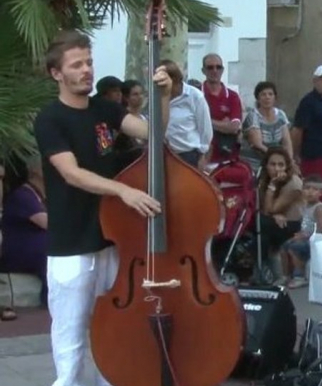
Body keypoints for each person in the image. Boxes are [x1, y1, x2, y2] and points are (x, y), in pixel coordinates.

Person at [34, 30, 171, 386]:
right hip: (71, 244)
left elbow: (153, 135)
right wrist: (123, 191)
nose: (86, 70)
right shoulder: (50, 119)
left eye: (89, 62)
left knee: (114, 333)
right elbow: (71, 173)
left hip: (112, 240)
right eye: (76, 65)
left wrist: (164, 97)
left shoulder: (105, 109)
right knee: (71, 342)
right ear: (56, 74)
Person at [0, 155, 48, 306]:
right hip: (17, 253)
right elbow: (48, 223)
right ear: (33, 170)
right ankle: (48, 298)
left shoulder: (44, 195)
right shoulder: (22, 195)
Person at [291, 65, 322, 206]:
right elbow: (298, 130)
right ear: (315, 81)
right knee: (314, 195)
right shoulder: (308, 102)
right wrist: (295, 155)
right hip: (314, 158)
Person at [258, 148, 304, 284]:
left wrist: (272, 185)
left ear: (287, 167)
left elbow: (269, 209)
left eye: (280, 165)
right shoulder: (262, 180)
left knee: (263, 224)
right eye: (272, 164)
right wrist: (274, 215)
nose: (277, 169)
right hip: (275, 220)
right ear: (266, 166)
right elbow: (262, 208)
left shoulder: (294, 184)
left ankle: (273, 274)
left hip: (291, 223)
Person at [161, 59, 213, 169]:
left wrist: (202, 155)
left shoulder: (195, 96)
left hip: (188, 155)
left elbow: (205, 129)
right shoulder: (157, 97)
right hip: (163, 155)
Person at [279, 174, 322, 289]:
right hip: (304, 237)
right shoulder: (305, 206)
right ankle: (286, 275)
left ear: (321, 192)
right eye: (307, 188)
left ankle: (300, 276)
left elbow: (321, 229)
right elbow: (304, 224)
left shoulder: (319, 208)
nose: (310, 192)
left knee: (295, 247)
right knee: (284, 246)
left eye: (315, 189)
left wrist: (305, 236)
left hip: (315, 241)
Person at [240, 81, 293, 171]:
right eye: (263, 94)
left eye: (270, 94)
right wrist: (278, 158)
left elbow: (287, 142)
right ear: (258, 98)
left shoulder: (281, 115)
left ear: (275, 97)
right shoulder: (253, 116)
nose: (267, 97)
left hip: (275, 163)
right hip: (253, 164)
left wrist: (289, 161)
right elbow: (258, 144)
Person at [201, 53, 243, 162]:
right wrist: (223, 124)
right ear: (203, 71)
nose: (215, 70)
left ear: (222, 70)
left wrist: (204, 120)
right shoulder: (195, 94)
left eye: (218, 67)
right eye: (210, 67)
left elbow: (234, 127)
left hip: (227, 158)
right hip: (201, 159)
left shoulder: (232, 96)